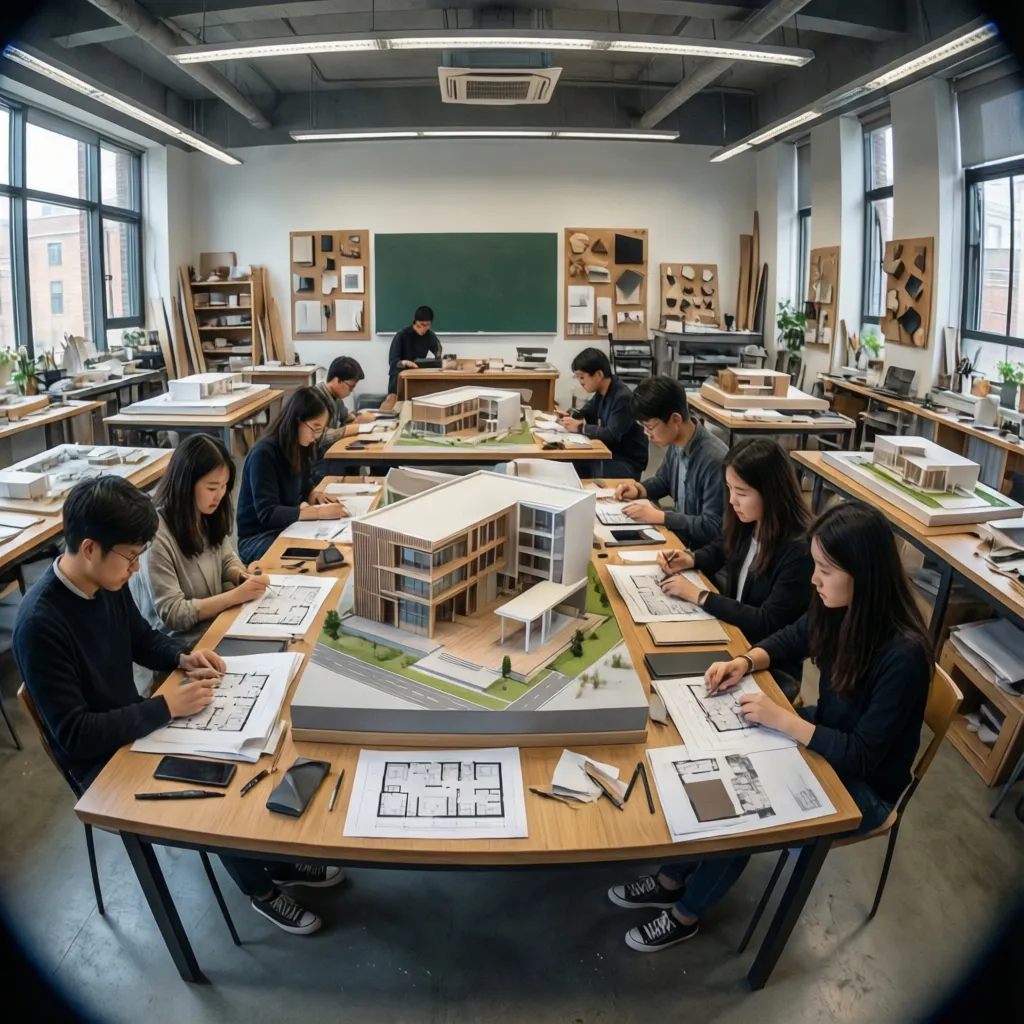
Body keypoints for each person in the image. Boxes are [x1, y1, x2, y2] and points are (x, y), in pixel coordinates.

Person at [13, 477, 341, 936]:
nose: (135, 569)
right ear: (90, 549)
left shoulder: (105, 580)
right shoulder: (40, 624)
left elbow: (140, 637)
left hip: (135, 722)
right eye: (131, 557)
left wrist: (181, 657)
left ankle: (276, 862)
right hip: (102, 761)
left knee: (256, 742)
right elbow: (76, 734)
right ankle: (260, 890)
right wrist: (165, 707)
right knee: (219, 778)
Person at [607, 502, 932, 953]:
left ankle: (686, 913)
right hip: (825, 733)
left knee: (747, 802)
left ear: (865, 574)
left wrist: (784, 720)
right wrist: (744, 661)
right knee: (724, 757)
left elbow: (861, 755)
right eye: (815, 566)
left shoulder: (904, 655)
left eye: (825, 569)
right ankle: (671, 875)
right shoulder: (840, 605)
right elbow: (795, 636)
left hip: (864, 788)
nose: (815, 579)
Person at [656, 438, 812, 700]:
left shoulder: (799, 551)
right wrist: (691, 558)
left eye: (741, 492)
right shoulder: (751, 520)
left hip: (766, 661)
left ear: (771, 492)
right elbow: (722, 549)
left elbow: (766, 622)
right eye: (730, 490)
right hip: (734, 634)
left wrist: (700, 595)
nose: (732, 501)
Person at [131, 434, 271, 651]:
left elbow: (226, 557)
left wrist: (241, 576)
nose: (220, 495)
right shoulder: (156, 533)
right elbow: (173, 613)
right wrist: (234, 596)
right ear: (186, 484)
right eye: (211, 488)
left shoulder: (207, 513)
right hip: (178, 646)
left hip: (212, 626)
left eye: (224, 486)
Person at [613, 376, 727, 547]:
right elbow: (663, 480)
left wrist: (662, 517)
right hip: (682, 542)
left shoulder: (714, 459)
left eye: (650, 427)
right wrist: (639, 490)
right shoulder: (676, 442)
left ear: (675, 419)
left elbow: (712, 526)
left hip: (704, 557)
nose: (647, 434)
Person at [236, 386, 346, 563]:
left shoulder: (300, 445)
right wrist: (317, 513)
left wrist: (313, 494)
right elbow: (268, 513)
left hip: (288, 527)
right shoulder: (264, 454)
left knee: (333, 550)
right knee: (315, 558)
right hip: (258, 538)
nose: (316, 436)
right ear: (297, 420)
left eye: (321, 430)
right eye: (315, 428)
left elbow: (303, 484)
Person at [556, 347, 648, 480]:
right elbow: (587, 412)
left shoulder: (622, 397)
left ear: (599, 375)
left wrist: (580, 427)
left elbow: (611, 435)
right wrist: (568, 416)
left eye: (582, 377)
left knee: (574, 467)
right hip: (611, 453)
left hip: (625, 462)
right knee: (566, 462)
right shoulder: (603, 391)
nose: (581, 382)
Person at [384, 305, 442, 404]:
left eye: (428, 325)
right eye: (422, 325)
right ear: (416, 322)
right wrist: (405, 362)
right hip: (399, 379)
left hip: (416, 377)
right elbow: (393, 361)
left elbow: (438, 350)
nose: (424, 328)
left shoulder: (429, 335)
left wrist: (438, 358)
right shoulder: (402, 335)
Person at [316, 355, 376, 446]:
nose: (351, 391)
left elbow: (346, 418)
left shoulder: (336, 398)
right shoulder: (316, 398)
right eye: (351, 386)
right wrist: (355, 427)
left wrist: (358, 417)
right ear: (337, 380)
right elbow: (319, 436)